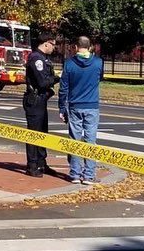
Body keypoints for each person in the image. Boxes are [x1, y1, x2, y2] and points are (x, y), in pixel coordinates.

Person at [58, 36, 104, 185]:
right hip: (91, 105)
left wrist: (61, 107)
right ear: (90, 47)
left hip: (75, 105)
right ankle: (89, 174)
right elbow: (100, 78)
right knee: (90, 140)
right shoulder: (98, 62)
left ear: (76, 47)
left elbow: (63, 88)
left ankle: (75, 174)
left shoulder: (69, 64)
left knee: (75, 139)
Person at [23, 32, 59, 177]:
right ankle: (32, 165)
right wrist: (56, 79)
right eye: (53, 44)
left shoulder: (43, 59)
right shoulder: (36, 58)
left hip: (41, 100)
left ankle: (41, 163)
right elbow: (42, 82)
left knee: (43, 132)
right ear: (46, 43)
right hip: (35, 100)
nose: (54, 48)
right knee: (34, 133)